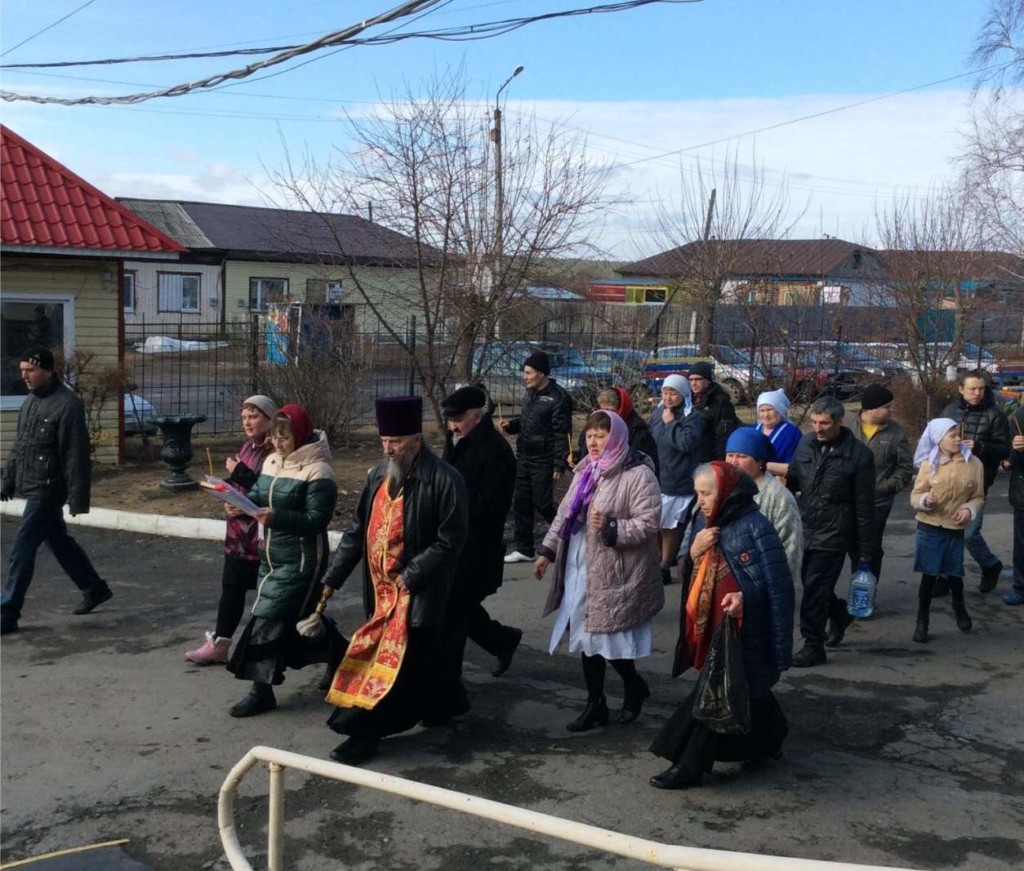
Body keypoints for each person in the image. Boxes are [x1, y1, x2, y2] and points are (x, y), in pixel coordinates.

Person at [322, 396, 468, 765]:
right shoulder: (377, 476)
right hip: (380, 591)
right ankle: (446, 704)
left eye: (397, 442)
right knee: (421, 663)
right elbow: (357, 531)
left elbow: (451, 539)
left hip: (418, 592)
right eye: (384, 441)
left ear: (416, 440)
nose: (389, 449)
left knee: (392, 669)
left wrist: (413, 575)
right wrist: (332, 578)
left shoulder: (445, 479)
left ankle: (363, 734)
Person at [649, 462, 794, 790]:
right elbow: (691, 571)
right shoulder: (704, 520)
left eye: (707, 493)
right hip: (712, 622)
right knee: (750, 689)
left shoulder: (756, 526)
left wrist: (745, 597)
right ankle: (768, 740)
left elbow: (777, 584)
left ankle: (688, 764)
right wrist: (696, 550)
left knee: (715, 692)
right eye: (697, 492)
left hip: (743, 628)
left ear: (727, 491)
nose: (700, 500)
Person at [533, 410, 663, 731]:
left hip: (616, 571)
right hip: (581, 564)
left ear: (616, 438)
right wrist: (546, 552)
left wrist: (612, 526)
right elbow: (564, 515)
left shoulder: (637, 474)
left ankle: (632, 686)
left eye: (601, 435)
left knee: (608, 639)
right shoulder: (586, 471)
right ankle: (596, 704)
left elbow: (648, 524)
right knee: (586, 634)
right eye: (590, 435)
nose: (593, 441)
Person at [225, 405, 342, 717]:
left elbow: (317, 519)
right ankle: (339, 653)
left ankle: (261, 691)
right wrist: (239, 506)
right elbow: (260, 496)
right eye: (274, 435)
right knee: (296, 619)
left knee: (267, 619)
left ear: (300, 434)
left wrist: (275, 517)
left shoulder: (319, 471)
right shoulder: (272, 462)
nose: (277, 442)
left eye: (284, 435)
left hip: (303, 560)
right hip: (272, 556)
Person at [1, 347, 112, 635]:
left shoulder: (67, 404)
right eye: (22, 370)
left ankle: (7, 612)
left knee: (21, 550)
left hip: (50, 488)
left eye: (31, 371)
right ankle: (94, 587)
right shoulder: (30, 402)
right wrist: (7, 479)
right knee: (58, 542)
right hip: (33, 483)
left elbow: (75, 455)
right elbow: (20, 446)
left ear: (48, 371)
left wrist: (77, 499)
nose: (25, 376)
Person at [426, 385, 520, 726]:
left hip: (478, 550)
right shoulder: (459, 441)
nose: (453, 427)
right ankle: (503, 640)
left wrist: (450, 507)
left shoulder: (497, 452)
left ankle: (447, 695)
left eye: (459, 420)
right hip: (453, 546)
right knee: (458, 610)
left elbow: (491, 508)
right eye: (450, 421)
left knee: (451, 618)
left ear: (477, 417)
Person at [786, 396, 877, 667]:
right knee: (812, 583)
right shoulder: (805, 444)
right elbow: (793, 477)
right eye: (814, 422)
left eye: (824, 423)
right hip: (805, 526)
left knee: (814, 587)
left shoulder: (859, 455)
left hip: (836, 532)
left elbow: (864, 506)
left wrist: (865, 551)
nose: (818, 428)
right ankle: (838, 613)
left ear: (838, 422)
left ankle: (813, 644)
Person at [186, 395, 276, 664]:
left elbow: (268, 490)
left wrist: (238, 472)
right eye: (245, 418)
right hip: (238, 537)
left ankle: (293, 645)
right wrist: (224, 493)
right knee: (231, 590)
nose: (248, 422)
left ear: (270, 419)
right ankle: (221, 644)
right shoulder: (248, 446)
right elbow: (243, 487)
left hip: (261, 539)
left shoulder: (276, 451)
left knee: (275, 598)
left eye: (254, 416)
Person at [909, 419, 984, 643]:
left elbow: (978, 497)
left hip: (954, 526)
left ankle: (959, 609)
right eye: (952, 435)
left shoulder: (974, 464)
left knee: (954, 573)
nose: (957, 438)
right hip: (929, 525)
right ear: (938, 440)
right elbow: (914, 495)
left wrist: (969, 510)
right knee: (929, 576)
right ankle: (922, 621)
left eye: (958, 434)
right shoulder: (927, 465)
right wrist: (925, 499)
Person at [501, 350, 573, 564]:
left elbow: (562, 432)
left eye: (529, 372)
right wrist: (512, 426)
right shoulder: (530, 394)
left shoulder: (558, 397)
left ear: (542, 373)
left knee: (543, 503)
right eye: (525, 372)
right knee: (521, 502)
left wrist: (559, 464)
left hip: (544, 459)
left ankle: (567, 536)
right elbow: (527, 421)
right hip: (524, 456)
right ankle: (525, 548)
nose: (525, 376)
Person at [941, 370, 1010, 594]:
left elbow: (1004, 449)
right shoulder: (950, 412)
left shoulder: (995, 414)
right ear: (961, 389)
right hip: (949, 479)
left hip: (978, 482)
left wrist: (980, 447)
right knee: (945, 530)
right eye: (972, 388)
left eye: (981, 388)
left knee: (969, 532)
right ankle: (945, 578)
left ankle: (990, 564)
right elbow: (935, 440)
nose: (977, 393)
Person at [850, 384, 915, 590]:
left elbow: (905, 468)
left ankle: (866, 589)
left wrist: (887, 486)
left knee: (870, 547)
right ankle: (854, 582)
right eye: (886, 406)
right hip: (847, 499)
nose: (891, 410)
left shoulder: (895, 433)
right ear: (871, 408)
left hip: (878, 501)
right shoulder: (847, 427)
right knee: (851, 545)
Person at [724, 428, 804, 583]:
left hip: (764, 581)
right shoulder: (723, 488)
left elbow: (790, 546)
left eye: (742, 456)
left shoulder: (779, 496)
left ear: (760, 462)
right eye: (730, 455)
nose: (734, 462)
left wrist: (779, 585)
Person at [649, 374, 704, 585]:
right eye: (665, 392)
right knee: (654, 524)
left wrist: (671, 424)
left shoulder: (692, 416)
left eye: (673, 393)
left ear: (683, 394)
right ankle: (655, 562)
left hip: (678, 480)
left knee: (668, 525)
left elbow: (686, 444)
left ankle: (664, 565)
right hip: (657, 476)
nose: (669, 397)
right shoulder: (658, 412)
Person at [572, 387, 659, 478]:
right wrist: (576, 457)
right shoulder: (595, 424)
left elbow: (649, 471)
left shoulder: (639, 432)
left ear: (622, 409)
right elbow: (587, 452)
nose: (607, 415)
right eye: (604, 410)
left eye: (611, 411)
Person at [687, 361, 740, 463]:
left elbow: (723, 438)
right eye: (691, 380)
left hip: (710, 460)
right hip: (691, 459)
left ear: (708, 380)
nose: (694, 383)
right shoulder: (687, 400)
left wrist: (719, 464)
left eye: (698, 379)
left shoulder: (721, 403)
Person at [751, 389, 801, 474]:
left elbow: (795, 467)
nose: (766, 415)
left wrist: (763, 466)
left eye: (769, 409)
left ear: (780, 410)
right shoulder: (753, 429)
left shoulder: (792, 433)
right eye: (762, 410)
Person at [1005, 405, 1024, 607]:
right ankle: (1020, 587)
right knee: (1022, 545)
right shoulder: (1019, 417)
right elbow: (1011, 459)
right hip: (1022, 493)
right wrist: (1016, 451)